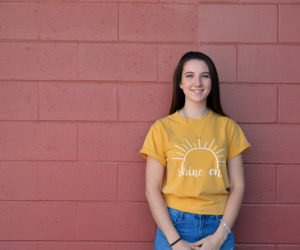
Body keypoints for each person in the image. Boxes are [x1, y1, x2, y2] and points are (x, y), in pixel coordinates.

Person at [139, 51, 251, 250]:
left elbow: (238, 186)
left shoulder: (228, 127)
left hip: (218, 225)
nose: (197, 82)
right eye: (189, 75)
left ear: (212, 82)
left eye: (204, 76)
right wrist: (175, 241)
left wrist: (219, 237)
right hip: (174, 226)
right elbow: (152, 189)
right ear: (180, 84)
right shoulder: (162, 128)